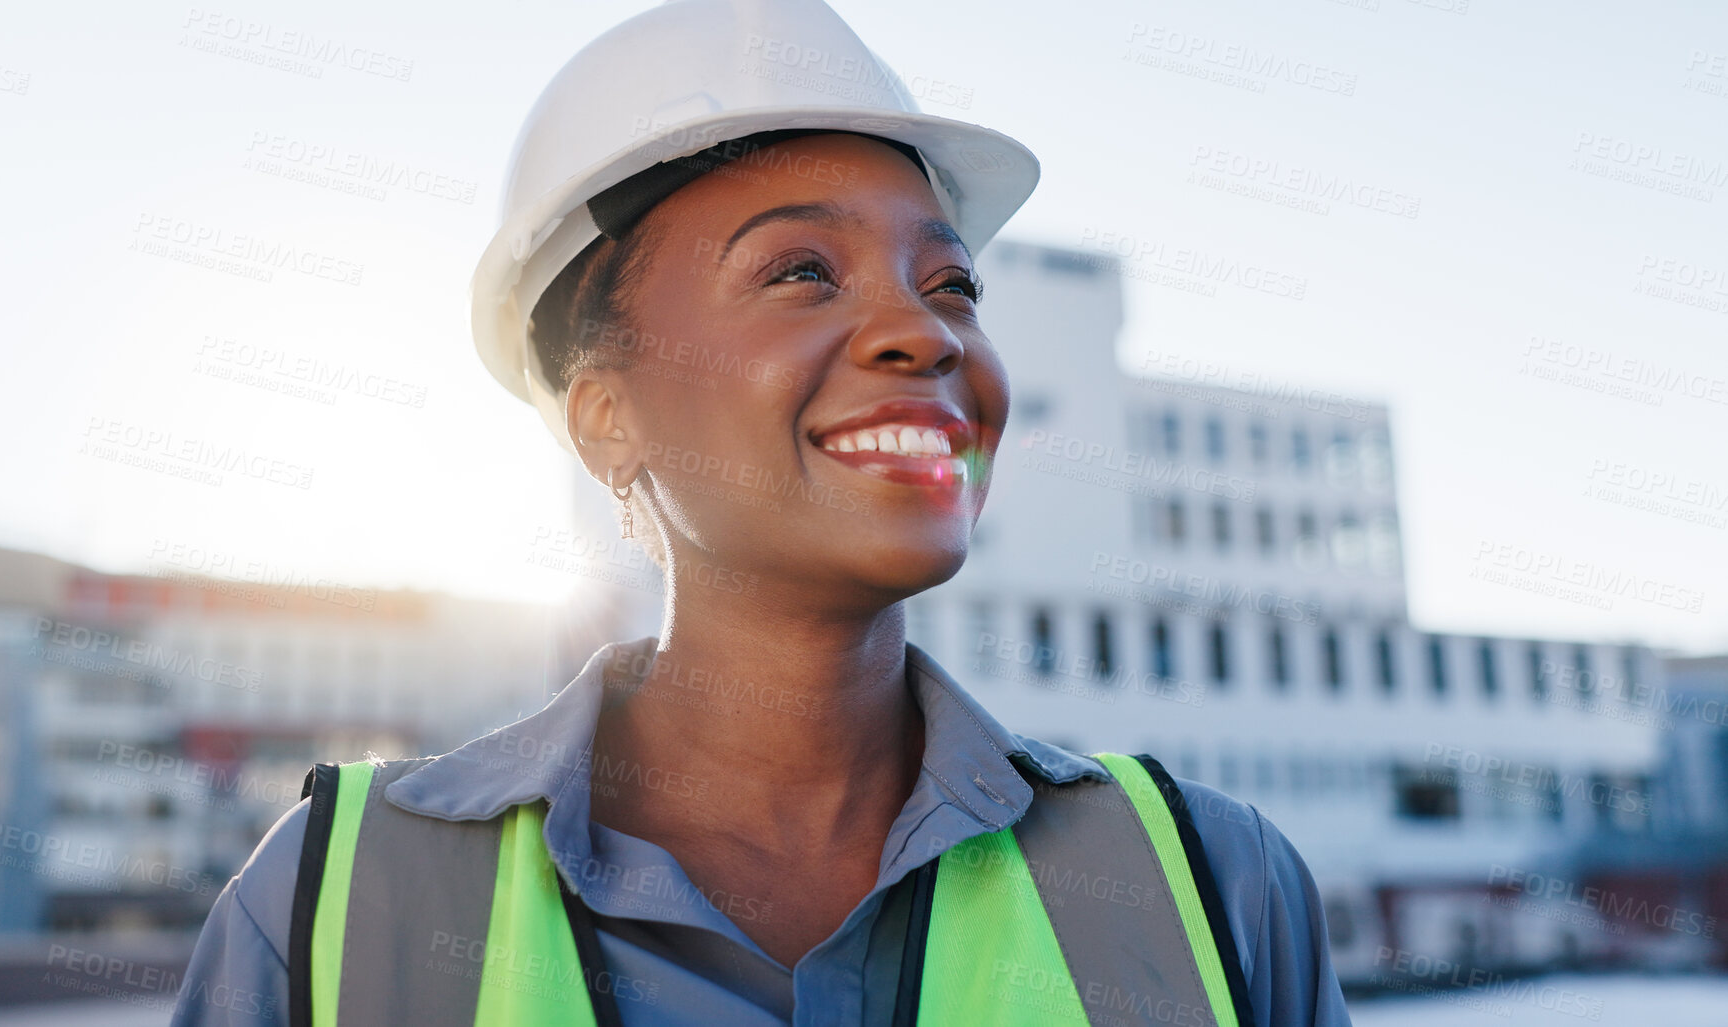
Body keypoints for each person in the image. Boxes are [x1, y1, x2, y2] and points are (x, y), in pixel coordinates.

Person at [172, 1, 1354, 1024]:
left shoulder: (1214, 887)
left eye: (953, 285)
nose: (928, 333)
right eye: (801, 271)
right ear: (605, 415)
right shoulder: (338, 909)